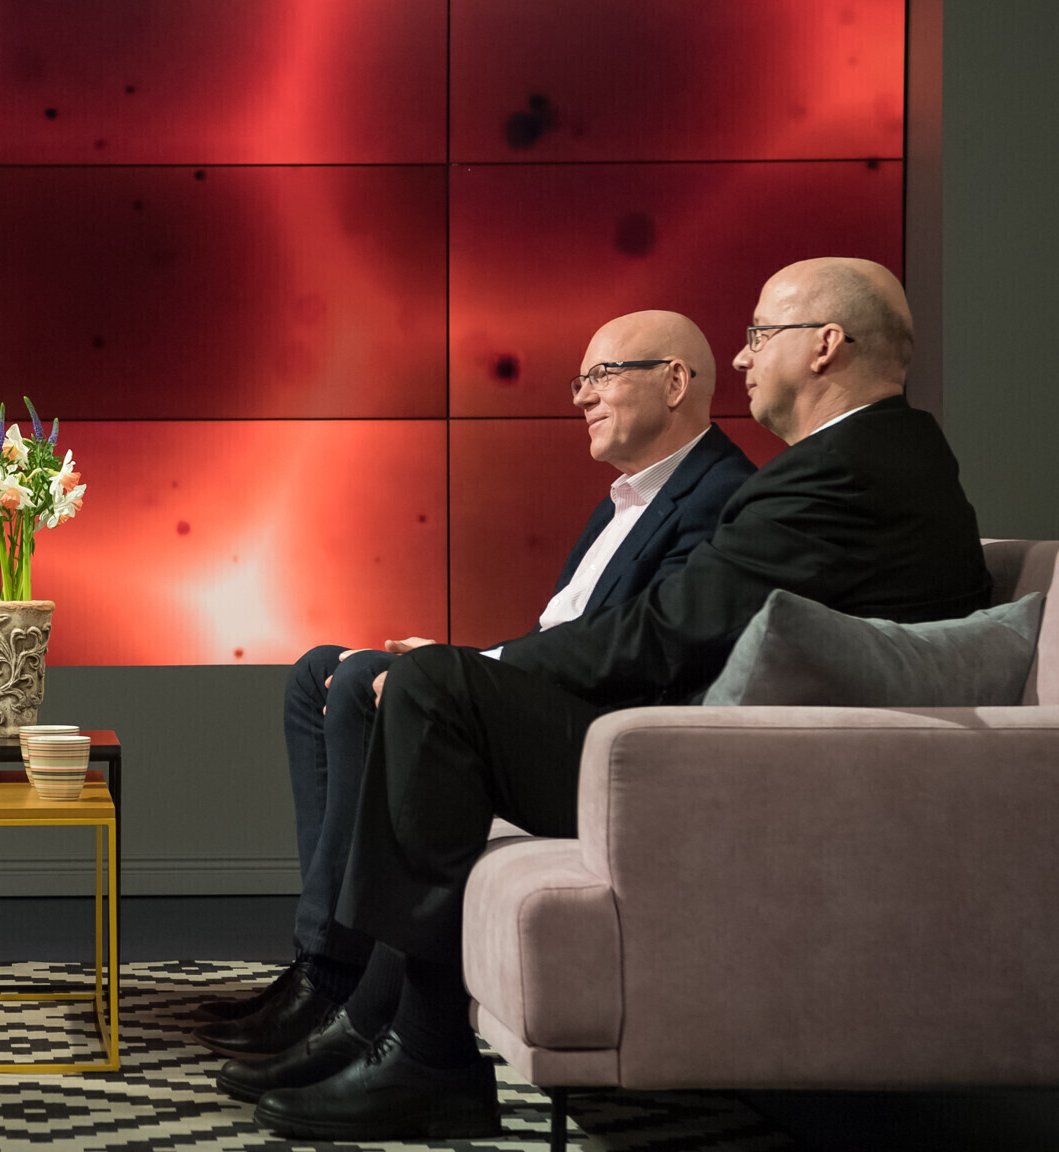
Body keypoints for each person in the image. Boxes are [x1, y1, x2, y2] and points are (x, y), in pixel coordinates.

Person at [252, 258, 992, 1142]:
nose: (742, 357)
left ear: (826, 345)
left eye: (760, 334)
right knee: (424, 684)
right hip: (746, 760)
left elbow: (666, 632)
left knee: (433, 690)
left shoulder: (845, 474)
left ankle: (422, 1054)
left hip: (730, 782)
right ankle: (383, 1024)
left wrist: (483, 664)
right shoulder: (882, 461)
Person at [196, 311, 757, 1073]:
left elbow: (636, 651)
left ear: (676, 381)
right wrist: (470, 665)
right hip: (553, 705)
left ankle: (334, 982)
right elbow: (572, 634)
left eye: (601, 376)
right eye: (580, 381)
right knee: (320, 673)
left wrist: (474, 666)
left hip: (605, 742)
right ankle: (325, 961)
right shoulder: (623, 500)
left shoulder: (722, 496)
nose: (582, 397)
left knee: (368, 679)